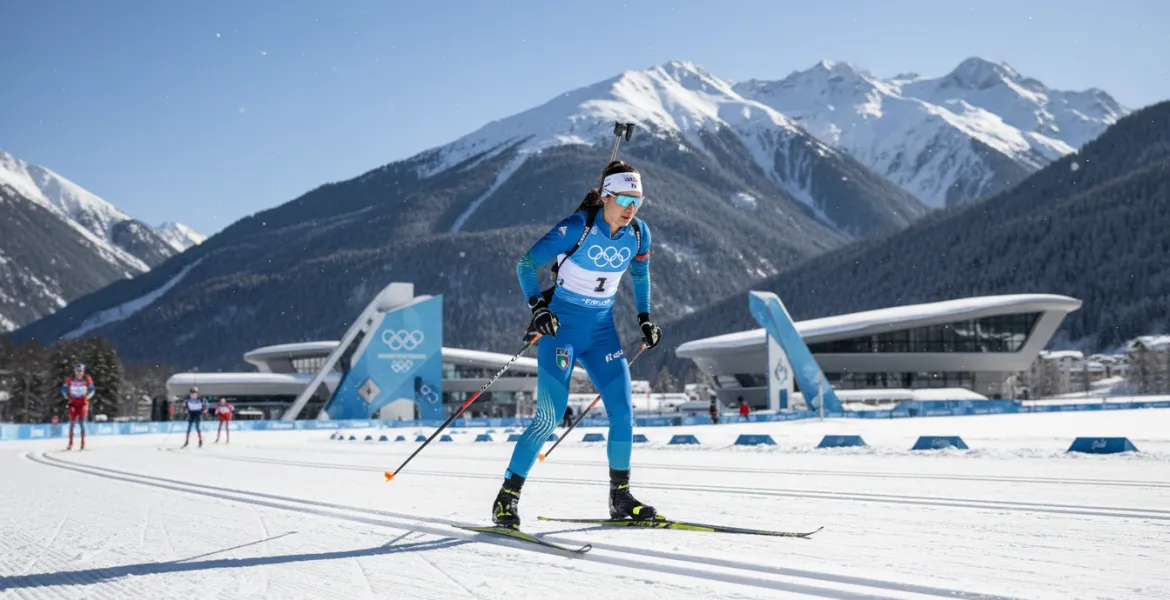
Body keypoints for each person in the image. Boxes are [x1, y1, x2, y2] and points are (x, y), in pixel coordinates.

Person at [491, 160, 662, 529]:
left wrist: (644, 318)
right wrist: (538, 308)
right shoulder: (576, 228)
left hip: (602, 332)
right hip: (561, 330)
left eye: (639, 199)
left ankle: (620, 499)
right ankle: (507, 499)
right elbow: (525, 264)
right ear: (606, 196)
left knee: (623, 413)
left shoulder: (638, 234)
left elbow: (641, 273)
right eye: (625, 198)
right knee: (549, 417)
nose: (632, 207)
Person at [61, 364, 94, 450]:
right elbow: (63, 389)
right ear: (75, 371)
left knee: (82, 423)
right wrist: (66, 395)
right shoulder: (70, 379)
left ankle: (82, 443)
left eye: (81, 371)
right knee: (72, 424)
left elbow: (92, 389)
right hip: (73, 403)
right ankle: (70, 444)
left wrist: (88, 397)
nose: (79, 373)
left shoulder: (87, 378)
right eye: (77, 371)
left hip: (83, 403)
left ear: (83, 371)